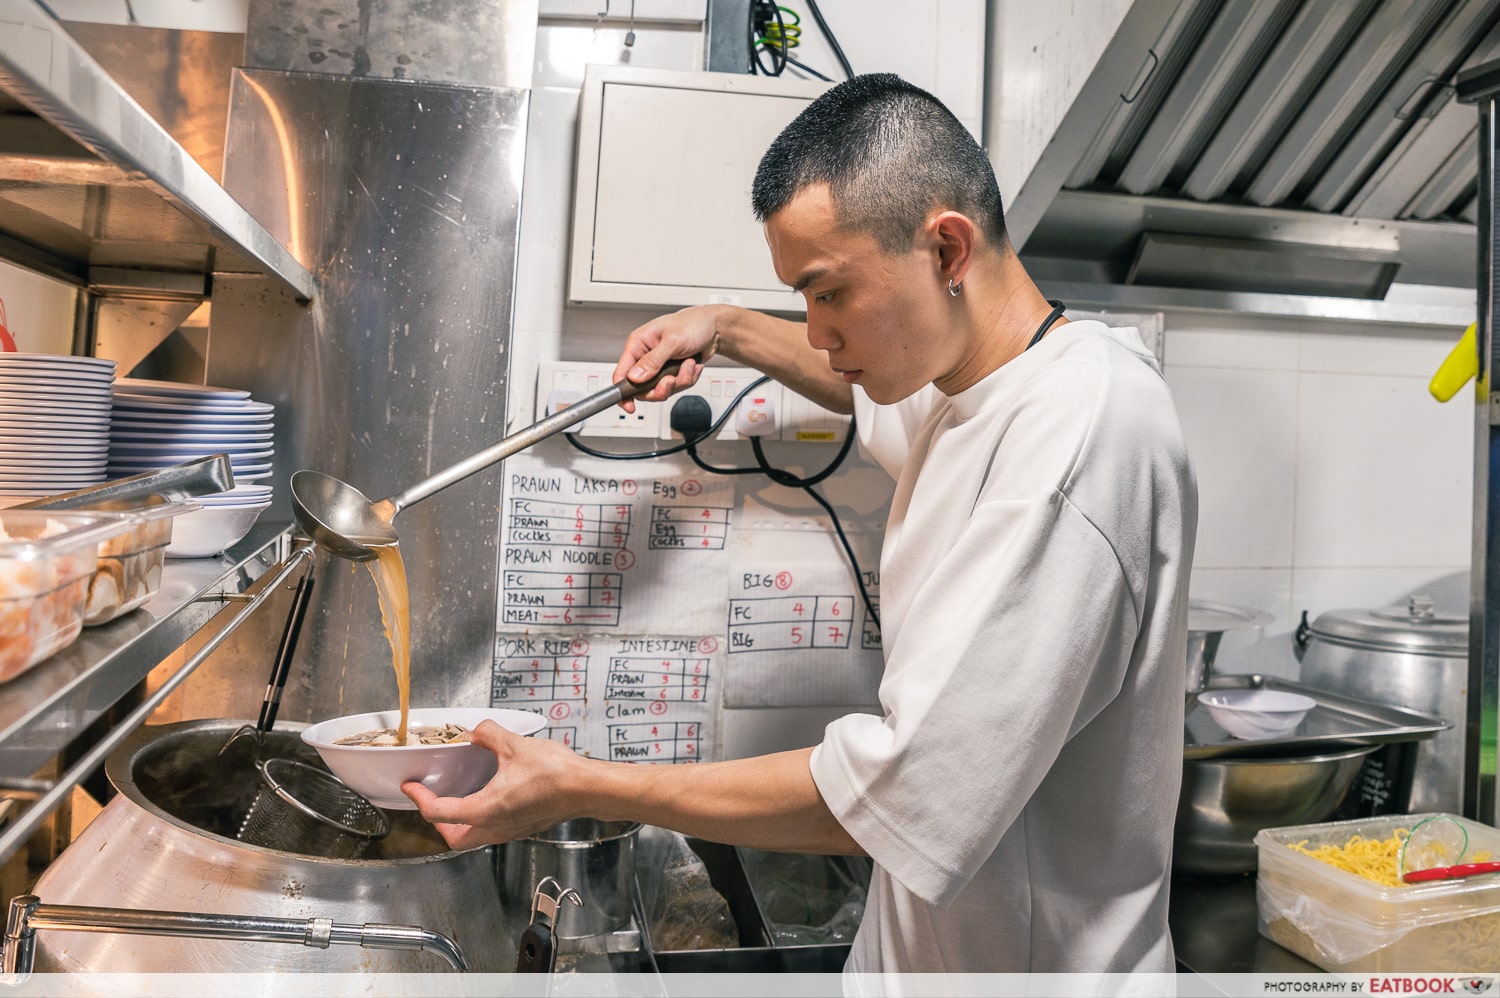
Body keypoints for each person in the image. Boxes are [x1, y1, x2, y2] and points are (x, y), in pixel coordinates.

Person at [405, 73, 1198, 975]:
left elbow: (904, 786)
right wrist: (729, 327)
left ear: (947, 250)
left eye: (827, 293)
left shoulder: (1082, 433)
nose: (817, 332)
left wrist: (585, 784)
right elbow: (866, 395)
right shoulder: (967, 382)